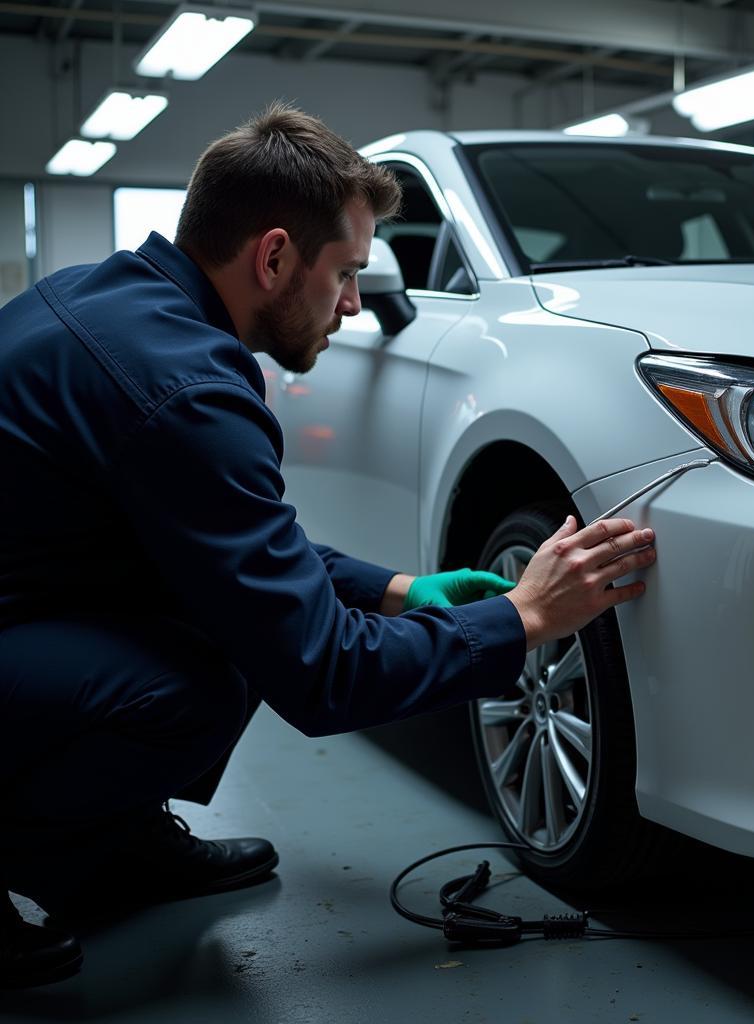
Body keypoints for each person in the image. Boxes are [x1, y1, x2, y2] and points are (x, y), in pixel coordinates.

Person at [0, 104, 657, 988]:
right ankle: (63, 853)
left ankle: (110, 847)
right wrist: (524, 617)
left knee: (211, 615)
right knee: (208, 670)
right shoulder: (184, 390)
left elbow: (223, 540)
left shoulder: (100, 295)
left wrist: (396, 590)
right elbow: (319, 672)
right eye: (347, 272)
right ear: (273, 257)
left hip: (25, 604)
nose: (353, 305)